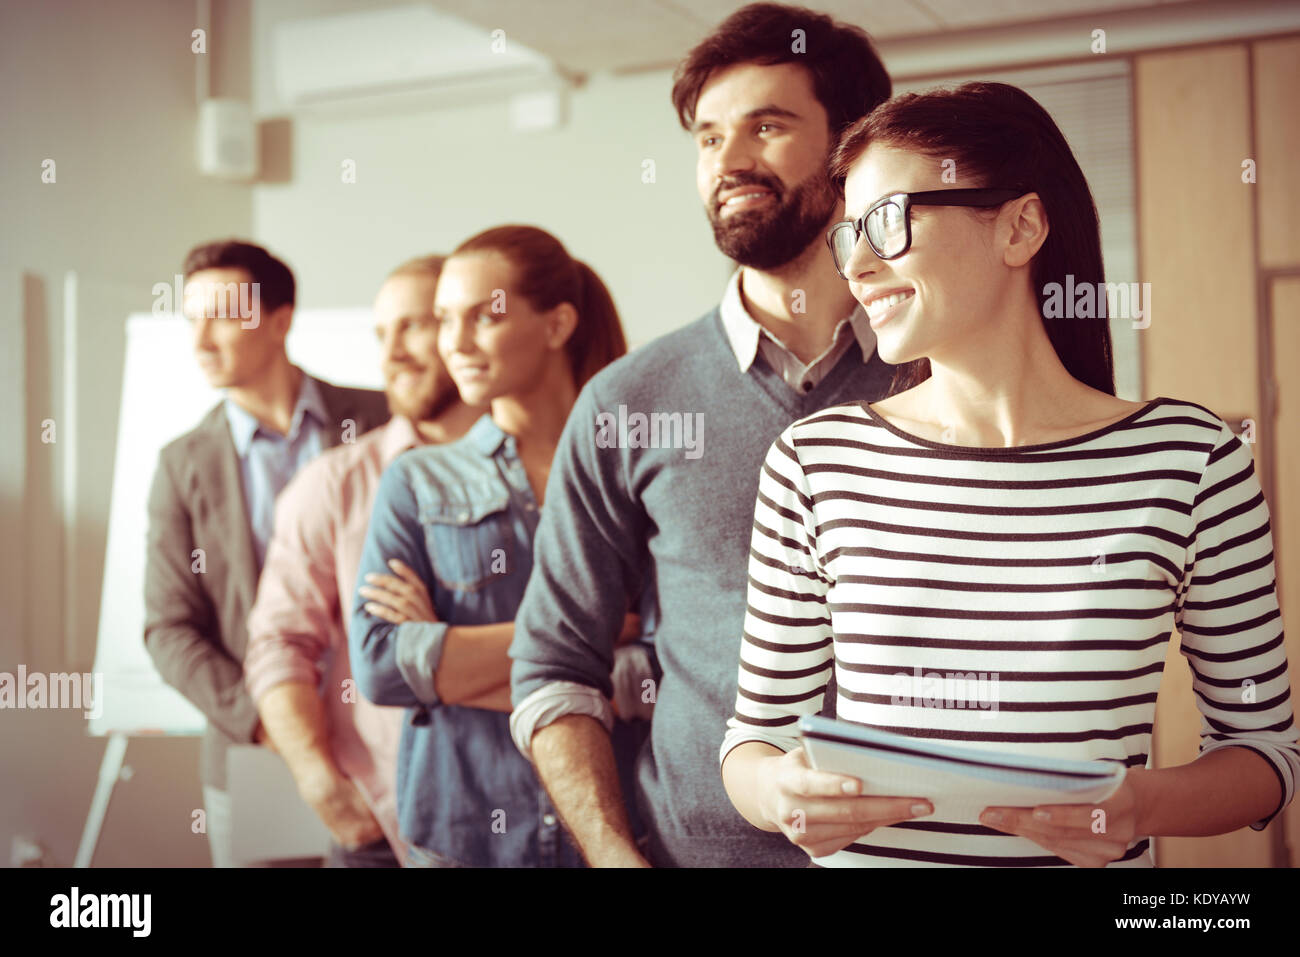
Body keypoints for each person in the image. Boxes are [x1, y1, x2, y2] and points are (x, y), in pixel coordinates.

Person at [720, 81, 1300, 867]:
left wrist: (1140, 804)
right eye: (847, 233)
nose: (855, 264)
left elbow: (1265, 750)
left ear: (1021, 226)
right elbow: (755, 739)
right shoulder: (814, 461)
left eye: (887, 223)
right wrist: (779, 795)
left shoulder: (1192, 461)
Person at [507, 2, 895, 867]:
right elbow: (551, 667)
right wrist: (614, 856)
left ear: (853, 149)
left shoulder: (944, 376)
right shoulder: (627, 401)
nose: (731, 161)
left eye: (767, 126)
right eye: (710, 138)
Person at [349, 225, 647, 867]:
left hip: (610, 834)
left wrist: (450, 666)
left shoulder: (634, 474)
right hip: (465, 838)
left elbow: (667, 670)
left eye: (484, 316)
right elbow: (379, 665)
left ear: (557, 323)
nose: (453, 344)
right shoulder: (417, 481)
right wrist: (581, 652)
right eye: (444, 319)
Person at [143, 239, 390, 867]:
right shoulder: (183, 464)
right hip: (258, 753)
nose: (201, 340)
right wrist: (277, 726)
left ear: (280, 320)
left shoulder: (382, 420)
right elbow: (169, 629)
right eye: (191, 318)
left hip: (393, 741)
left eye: (222, 314)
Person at [243, 255, 484, 868]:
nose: (393, 352)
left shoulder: (546, 474)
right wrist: (319, 782)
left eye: (415, 326)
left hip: (523, 815)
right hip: (381, 824)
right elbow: (278, 644)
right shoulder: (334, 485)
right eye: (383, 333)